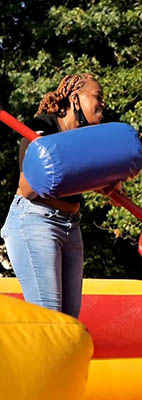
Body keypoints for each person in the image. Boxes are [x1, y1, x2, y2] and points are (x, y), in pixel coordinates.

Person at [1, 73, 117, 318]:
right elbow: (29, 187)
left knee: (67, 323)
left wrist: (104, 180)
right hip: (35, 220)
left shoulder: (86, 140)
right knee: (50, 320)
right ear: (75, 99)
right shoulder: (42, 128)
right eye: (98, 97)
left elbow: (81, 179)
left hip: (70, 226)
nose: (103, 104)